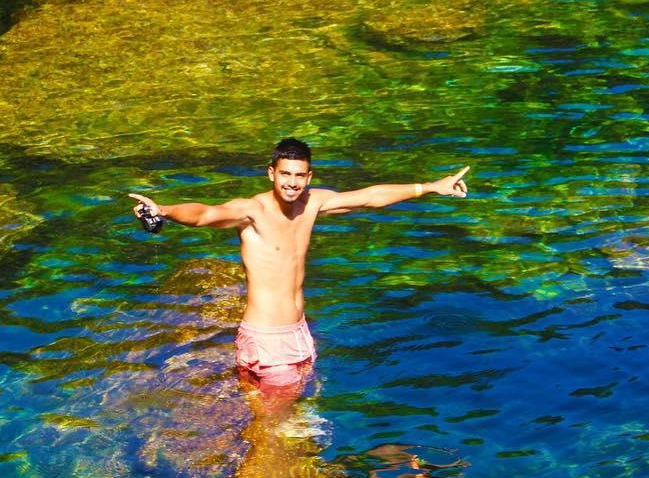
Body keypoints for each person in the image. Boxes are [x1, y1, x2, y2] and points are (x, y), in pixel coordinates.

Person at [129, 137, 469, 390]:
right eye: (285, 174)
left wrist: (431, 187)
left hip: (296, 331)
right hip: (268, 338)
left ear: (309, 176)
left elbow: (370, 197)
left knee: (276, 413)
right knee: (276, 422)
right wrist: (164, 211)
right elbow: (205, 214)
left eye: (300, 175)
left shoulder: (313, 202)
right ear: (271, 173)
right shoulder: (253, 211)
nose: (292, 182)